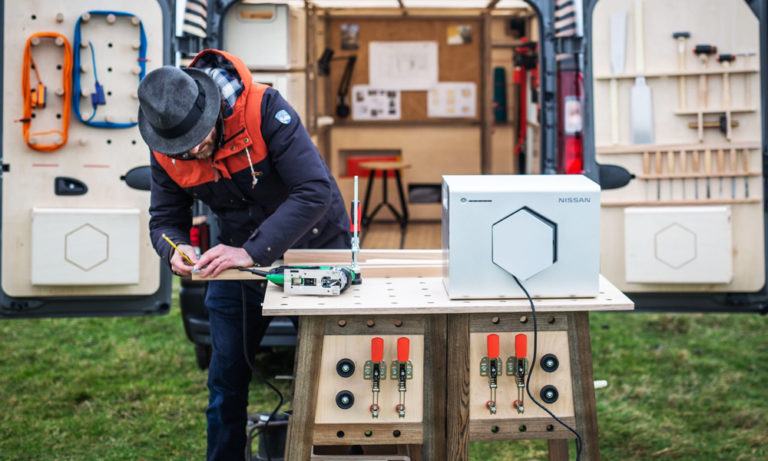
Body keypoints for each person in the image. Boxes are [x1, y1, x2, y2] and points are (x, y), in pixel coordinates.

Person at [137, 49, 350, 460]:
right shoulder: (166, 145)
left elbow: (314, 191)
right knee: (225, 382)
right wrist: (174, 249)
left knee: (334, 375)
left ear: (211, 111)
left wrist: (252, 251)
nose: (194, 154)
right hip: (239, 262)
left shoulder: (264, 109)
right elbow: (164, 218)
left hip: (312, 248)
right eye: (183, 150)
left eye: (198, 141)